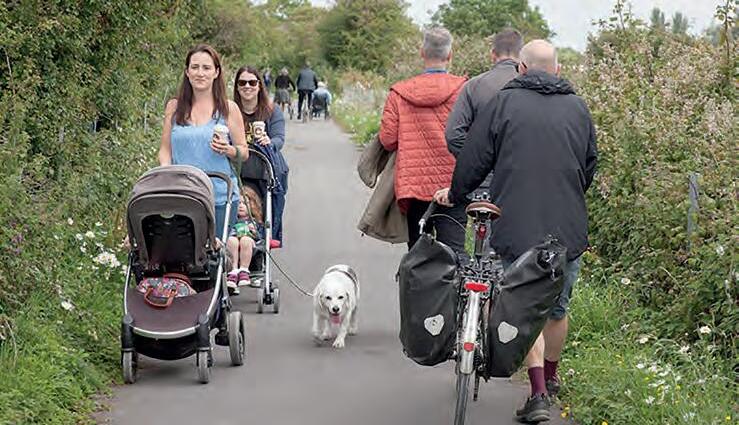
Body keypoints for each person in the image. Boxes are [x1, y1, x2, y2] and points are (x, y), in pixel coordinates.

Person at [434, 40, 598, 423]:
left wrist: (457, 193)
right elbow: (590, 164)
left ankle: (537, 392)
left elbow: (474, 158)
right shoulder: (579, 107)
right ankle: (551, 379)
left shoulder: (503, 103)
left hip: (515, 223)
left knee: (524, 306)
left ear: (521, 68)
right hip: (568, 225)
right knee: (556, 308)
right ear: (558, 70)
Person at [378, 27, 467, 253]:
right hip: (452, 183)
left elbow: (387, 140)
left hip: (413, 185)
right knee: (454, 252)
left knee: (418, 254)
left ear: (421, 52)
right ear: (450, 55)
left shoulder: (399, 93)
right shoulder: (465, 90)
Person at [158, 43, 248, 245]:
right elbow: (165, 150)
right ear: (187, 72)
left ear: (216, 72)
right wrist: (165, 173)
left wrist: (229, 149)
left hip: (219, 195)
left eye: (206, 68)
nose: (200, 73)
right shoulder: (174, 107)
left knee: (214, 253)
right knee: (182, 251)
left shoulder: (228, 109)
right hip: (182, 193)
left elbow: (244, 152)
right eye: (195, 67)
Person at [233, 65, 289, 244]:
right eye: (242, 83)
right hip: (238, 165)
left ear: (259, 85)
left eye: (252, 82)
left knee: (271, 194)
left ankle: (268, 232)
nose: (247, 86)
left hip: (264, 165)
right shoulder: (231, 111)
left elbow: (279, 138)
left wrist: (269, 142)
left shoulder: (272, 110)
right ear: (237, 87)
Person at [445, 28, 521, 158]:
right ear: (521, 55)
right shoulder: (533, 86)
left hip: (483, 168)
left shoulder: (473, 86)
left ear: (493, 54)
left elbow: (453, 136)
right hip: (523, 167)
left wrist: (479, 161)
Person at [226, 186, 264, 289]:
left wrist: (255, 231)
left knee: (245, 240)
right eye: (238, 203)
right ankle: (233, 271)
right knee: (231, 240)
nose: (241, 206)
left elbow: (261, 237)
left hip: (250, 245)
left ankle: (244, 270)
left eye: (245, 203)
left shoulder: (254, 221)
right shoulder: (230, 220)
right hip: (232, 243)